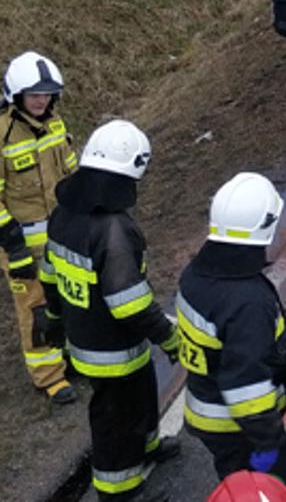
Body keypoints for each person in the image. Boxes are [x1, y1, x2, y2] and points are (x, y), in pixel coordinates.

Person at [43, 119, 181, 500]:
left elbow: (49, 275)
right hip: (112, 348)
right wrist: (169, 338)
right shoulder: (113, 230)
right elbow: (130, 304)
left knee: (142, 394)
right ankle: (119, 490)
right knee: (116, 420)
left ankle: (147, 446)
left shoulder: (62, 215)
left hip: (86, 335)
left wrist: (53, 319)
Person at [177, 172, 286, 491]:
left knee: (236, 486)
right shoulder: (247, 301)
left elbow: (222, 346)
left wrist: (284, 355)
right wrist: (270, 443)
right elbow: (246, 388)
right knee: (266, 489)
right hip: (238, 428)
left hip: (207, 410)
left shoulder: (195, 275)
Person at [0, 51, 80, 404]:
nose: (41, 100)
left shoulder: (55, 125)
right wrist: (14, 248)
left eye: (47, 94)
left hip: (64, 238)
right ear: (15, 95)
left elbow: (71, 175)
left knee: (70, 301)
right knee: (36, 310)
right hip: (26, 247)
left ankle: (70, 356)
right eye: (34, 95)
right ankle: (49, 377)